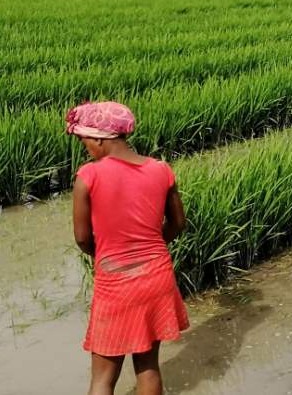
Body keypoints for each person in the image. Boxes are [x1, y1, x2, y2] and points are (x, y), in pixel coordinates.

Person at [67, 101, 189, 395]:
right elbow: (178, 223)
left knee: (103, 378)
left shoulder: (88, 176)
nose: (85, 148)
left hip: (116, 284)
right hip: (156, 276)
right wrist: (152, 247)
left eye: (84, 141)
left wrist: (108, 254)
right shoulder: (160, 169)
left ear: (99, 138)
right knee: (147, 366)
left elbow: (83, 239)